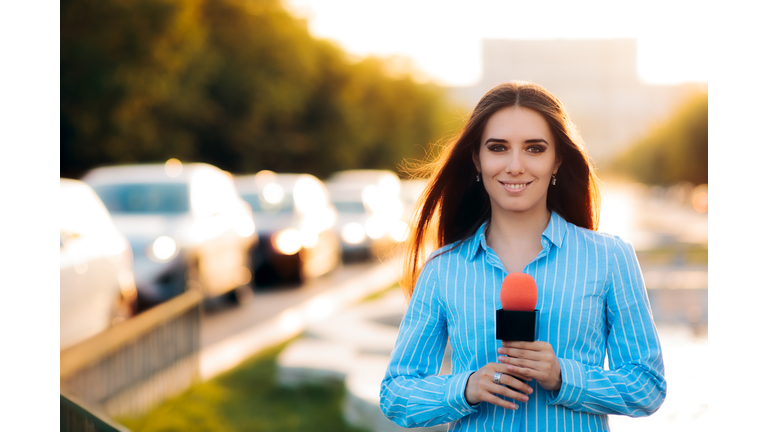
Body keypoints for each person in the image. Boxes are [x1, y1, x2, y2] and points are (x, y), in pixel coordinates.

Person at [379, 81, 666, 431]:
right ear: (477, 159)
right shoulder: (443, 269)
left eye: (534, 149)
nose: (515, 166)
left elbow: (648, 385)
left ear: (557, 159)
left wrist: (563, 377)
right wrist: (466, 387)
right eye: (498, 148)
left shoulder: (610, 259)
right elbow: (396, 394)